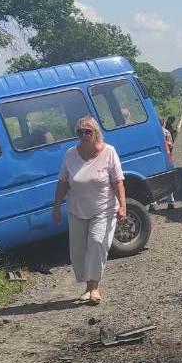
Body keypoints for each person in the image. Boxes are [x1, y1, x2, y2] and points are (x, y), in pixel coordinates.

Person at [52, 116, 126, 305]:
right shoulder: (70, 154)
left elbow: (118, 181)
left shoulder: (109, 152)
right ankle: (87, 286)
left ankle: (94, 287)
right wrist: (57, 206)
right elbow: (62, 182)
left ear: (95, 133)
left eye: (88, 131)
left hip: (104, 208)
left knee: (96, 243)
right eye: (80, 132)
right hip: (77, 209)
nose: (84, 135)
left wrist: (123, 205)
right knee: (78, 252)